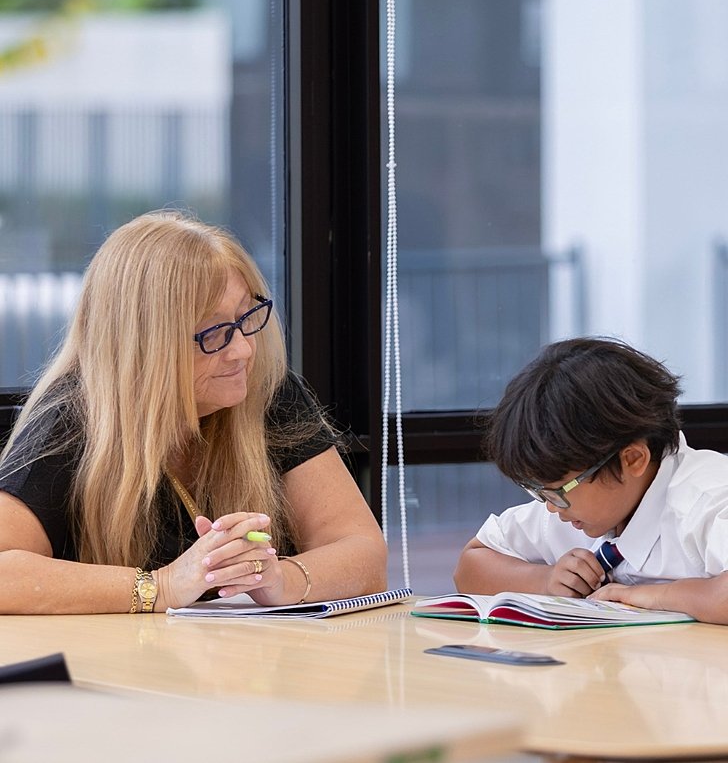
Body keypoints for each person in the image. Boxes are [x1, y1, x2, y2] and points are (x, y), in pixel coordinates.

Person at [0, 210, 387, 614]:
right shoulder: (70, 419)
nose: (243, 350)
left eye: (245, 316)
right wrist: (161, 587)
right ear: (144, 347)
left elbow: (364, 553)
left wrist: (280, 579)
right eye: (215, 333)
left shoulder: (269, 393)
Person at [454, 337, 728, 624]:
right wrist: (546, 580)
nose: (550, 507)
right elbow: (470, 566)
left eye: (558, 491)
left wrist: (654, 596)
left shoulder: (707, 497)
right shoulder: (569, 508)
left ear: (633, 459)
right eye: (541, 492)